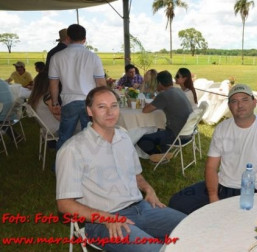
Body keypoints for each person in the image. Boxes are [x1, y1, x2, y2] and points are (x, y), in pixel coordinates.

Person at [56, 86, 186, 252]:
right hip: (102, 221)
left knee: (193, 228)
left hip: (142, 208)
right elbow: (64, 205)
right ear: (89, 111)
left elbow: (136, 175)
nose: (110, 112)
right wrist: (106, 218)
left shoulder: (124, 137)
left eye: (114, 105)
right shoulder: (73, 149)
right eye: (101, 107)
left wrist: (148, 189)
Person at [168, 84, 257, 215]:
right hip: (222, 185)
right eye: (234, 101)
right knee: (177, 202)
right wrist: (213, 197)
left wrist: (256, 202)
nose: (240, 105)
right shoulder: (222, 129)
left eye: (245, 100)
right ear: (229, 106)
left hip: (252, 190)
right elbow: (211, 167)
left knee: (240, 219)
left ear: (254, 102)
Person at [49, 24, 106, 151]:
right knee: (91, 137)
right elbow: (101, 84)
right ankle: (91, 165)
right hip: (90, 102)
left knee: (65, 137)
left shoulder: (56, 57)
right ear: (85, 39)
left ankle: (61, 166)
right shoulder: (93, 57)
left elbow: (53, 84)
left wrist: (54, 103)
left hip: (69, 101)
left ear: (68, 38)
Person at [137, 70, 192, 159]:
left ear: (159, 83)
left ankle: (161, 157)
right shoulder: (178, 90)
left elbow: (145, 110)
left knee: (142, 140)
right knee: (160, 128)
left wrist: (149, 104)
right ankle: (164, 151)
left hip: (177, 136)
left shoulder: (164, 95)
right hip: (189, 134)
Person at [28, 70, 60, 134]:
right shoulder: (48, 98)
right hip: (56, 129)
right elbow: (59, 117)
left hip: (46, 128)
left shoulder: (36, 97)